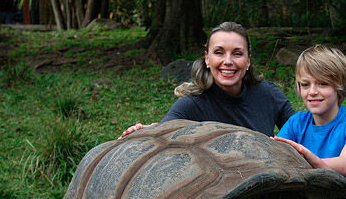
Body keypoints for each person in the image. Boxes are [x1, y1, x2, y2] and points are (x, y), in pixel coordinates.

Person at [120, 21, 295, 138]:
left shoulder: (269, 94)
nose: (228, 61)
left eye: (237, 53)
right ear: (207, 58)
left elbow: (302, 134)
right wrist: (142, 132)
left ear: (248, 60)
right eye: (219, 52)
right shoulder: (192, 104)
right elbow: (162, 132)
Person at [273, 45, 346, 182]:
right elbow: (275, 159)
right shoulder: (296, 122)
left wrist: (304, 157)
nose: (312, 92)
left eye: (322, 84)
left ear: (340, 86)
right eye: (305, 84)